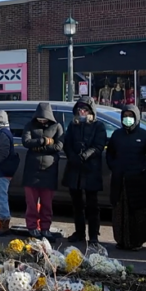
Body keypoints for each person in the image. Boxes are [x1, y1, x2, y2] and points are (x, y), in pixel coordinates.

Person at [107, 105, 146, 250]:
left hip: (139, 181)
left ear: (136, 117)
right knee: (120, 211)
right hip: (120, 180)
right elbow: (110, 154)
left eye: (131, 116)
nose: (127, 118)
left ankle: (137, 241)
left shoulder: (145, 135)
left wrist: (143, 168)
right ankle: (121, 240)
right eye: (125, 116)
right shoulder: (117, 135)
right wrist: (114, 167)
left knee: (138, 212)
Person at [62, 97, 107, 244]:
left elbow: (99, 145)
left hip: (91, 168)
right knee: (77, 204)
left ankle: (93, 235)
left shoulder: (98, 126)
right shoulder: (73, 125)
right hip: (75, 168)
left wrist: (86, 155)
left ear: (91, 111)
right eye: (80, 109)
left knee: (92, 205)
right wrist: (72, 156)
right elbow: (67, 143)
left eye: (85, 109)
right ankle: (79, 232)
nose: (82, 112)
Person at [22, 102, 63, 239]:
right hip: (32, 170)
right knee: (31, 203)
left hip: (49, 170)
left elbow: (58, 146)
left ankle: (45, 228)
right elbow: (26, 142)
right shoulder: (30, 125)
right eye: (40, 118)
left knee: (47, 203)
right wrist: (43, 141)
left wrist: (38, 147)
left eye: (44, 119)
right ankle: (32, 227)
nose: (42, 121)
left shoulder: (57, 126)